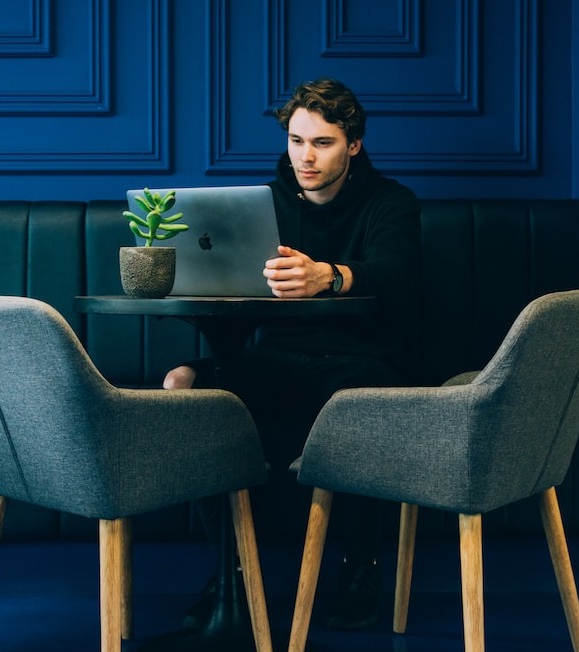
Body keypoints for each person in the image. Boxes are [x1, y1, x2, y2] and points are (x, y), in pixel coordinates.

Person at [164, 77, 421, 630]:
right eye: (296, 140)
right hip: (278, 357)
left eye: (322, 143)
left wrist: (328, 276)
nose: (306, 156)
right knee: (186, 387)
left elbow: (396, 276)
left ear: (353, 145)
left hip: (362, 358)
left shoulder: (391, 203)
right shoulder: (264, 205)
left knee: (359, 400)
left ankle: (360, 564)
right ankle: (232, 570)